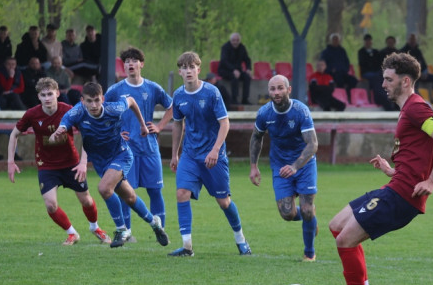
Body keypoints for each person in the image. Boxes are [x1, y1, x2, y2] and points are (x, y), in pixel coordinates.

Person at [328, 51, 433, 285]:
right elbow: (418, 154)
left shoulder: (416, 107)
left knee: (345, 240)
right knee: (336, 225)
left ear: (406, 81)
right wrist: (392, 170)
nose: (383, 84)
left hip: (402, 197)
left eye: (388, 79)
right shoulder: (408, 109)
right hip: (396, 186)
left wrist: (432, 181)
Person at [50, 81, 169, 248]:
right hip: (100, 162)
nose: (93, 105)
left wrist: (142, 125)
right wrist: (59, 131)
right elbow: (65, 122)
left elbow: (132, 101)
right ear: (82, 100)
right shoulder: (77, 111)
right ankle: (154, 223)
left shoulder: (114, 108)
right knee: (129, 197)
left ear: (103, 99)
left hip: (121, 154)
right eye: (89, 101)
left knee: (104, 188)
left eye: (97, 100)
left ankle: (122, 230)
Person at [8, 78, 112, 246]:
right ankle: (72, 233)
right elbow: (14, 134)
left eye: (50, 94)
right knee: (50, 205)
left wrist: (84, 162)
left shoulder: (69, 111)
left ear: (57, 93)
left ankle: (95, 228)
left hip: (71, 163)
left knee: (86, 200)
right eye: (43, 95)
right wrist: (10, 162)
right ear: (39, 97)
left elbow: (88, 135)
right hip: (47, 165)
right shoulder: (32, 114)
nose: (47, 98)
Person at [166, 51, 251, 257]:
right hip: (190, 155)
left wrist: (215, 150)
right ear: (180, 71)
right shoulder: (178, 95)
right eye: (184, 67)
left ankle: (240, 239)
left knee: (224, 202)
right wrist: (175, 154)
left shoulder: (212, 92)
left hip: (214, 156)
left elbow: (225, 123)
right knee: (181, 193)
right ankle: (187, 246)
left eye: (191, 67)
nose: (188, 71)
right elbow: (178, 124)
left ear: (198, 69)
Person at [105, 47, 173, 245]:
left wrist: (160, 126)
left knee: (155, 190)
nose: (130, 64)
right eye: (126, 61)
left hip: (149, 148)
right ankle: (127, 232)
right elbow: (102, 114)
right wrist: (115, 132)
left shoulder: (153, 88)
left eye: (134, 60)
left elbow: (172, 107)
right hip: (125, 151)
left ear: (141, 64)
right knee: (126, 191)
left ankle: (161, 230)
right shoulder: (115, 90)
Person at [249, 74, 320, 261]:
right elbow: (256, 137)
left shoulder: (300, 111)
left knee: (306, 208)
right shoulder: (264, 113)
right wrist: (253, 166)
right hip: (280, 166)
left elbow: (312, 144)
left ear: (289, 90)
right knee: (287, 213)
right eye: (272, 89)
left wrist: (296, 166)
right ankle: (311, 220)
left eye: (280, 88)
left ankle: (309, 253)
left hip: (303, 164)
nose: (276, 92)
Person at [217, 32, 252, 106]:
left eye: (237, 40)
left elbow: (247, 59)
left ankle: (245, 99)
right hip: (225, 70)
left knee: (247, 77)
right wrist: (233, 70)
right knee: (234, 77)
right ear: (230, 40)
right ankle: (234, 99)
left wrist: (249, 68)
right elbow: (224, 61)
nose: (235, 42)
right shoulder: (225, 47)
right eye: (233, 40)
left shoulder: (242, 47)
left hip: (238, 71)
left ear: (239, 40)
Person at [357, 33, 382, 102]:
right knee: (376, 77)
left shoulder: (376, 52)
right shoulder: (361, 52)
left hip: (376, 72)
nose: (368, 42)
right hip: (366, 72)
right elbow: (362, 63)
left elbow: (378, 63)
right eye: (366, 40)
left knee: (380, 76)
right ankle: (377, 98)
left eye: (369, 40)